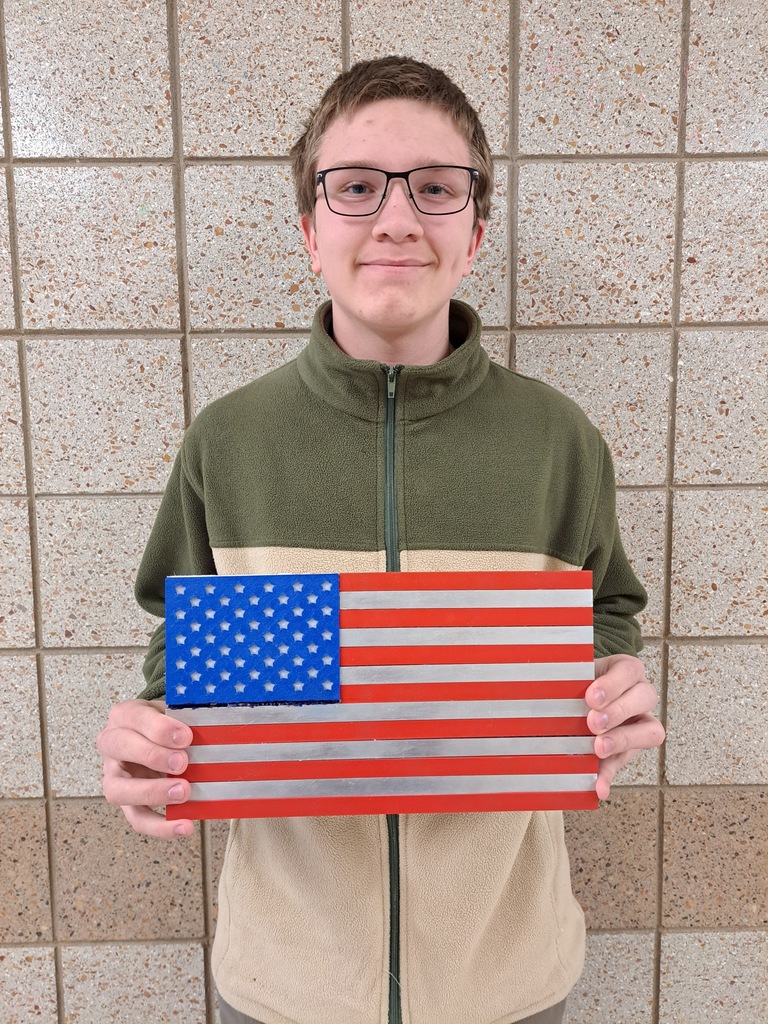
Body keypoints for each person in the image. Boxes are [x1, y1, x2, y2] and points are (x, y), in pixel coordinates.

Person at [97, 56, 665, 1024]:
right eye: (356, 187)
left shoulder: (557, 440)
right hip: (286, 983)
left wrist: (610, 681)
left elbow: (605, 607)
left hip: (509, 977)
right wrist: (155, 734)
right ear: (312, 231)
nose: (396, 217)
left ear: (474, 232)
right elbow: (181, 635)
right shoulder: (229, 442)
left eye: (435, 189)